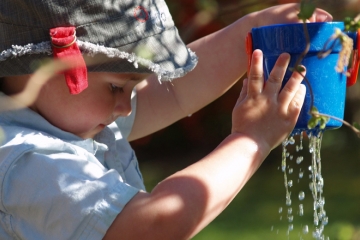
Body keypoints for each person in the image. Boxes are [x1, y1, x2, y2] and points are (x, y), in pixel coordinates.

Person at [0, 0, 332, 239]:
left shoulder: (66, 119)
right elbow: (154, 227)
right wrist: (251, 140)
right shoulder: (24, 160)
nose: (126, 107)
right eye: (117, 86)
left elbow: (175, 92)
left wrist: (251, 31)